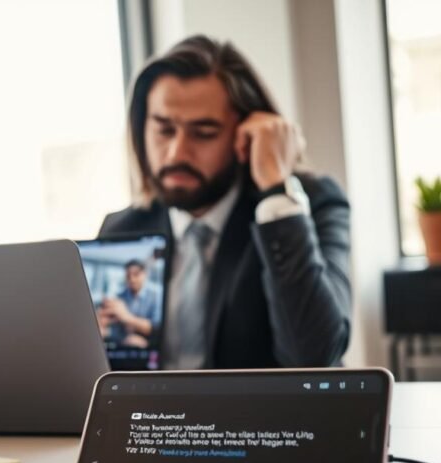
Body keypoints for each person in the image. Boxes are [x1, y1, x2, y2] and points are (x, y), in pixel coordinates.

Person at [99, 35, 351, 369]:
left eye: (203, 132)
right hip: (160, 420)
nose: (177, 153)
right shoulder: (123, 229)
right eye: (164, 130)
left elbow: (314, 358)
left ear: (245, 135)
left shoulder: (307, 206)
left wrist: (276, 190)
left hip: (266, 421)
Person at [99, 259, 162, 348]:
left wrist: (126, 317)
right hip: (125, 344)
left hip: (150, 347)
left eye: (136, 275)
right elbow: (113, 329)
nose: (132, 279)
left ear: (145, 274)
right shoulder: (120, 296)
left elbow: (156, 329)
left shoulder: (157, 296)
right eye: (128, 276)